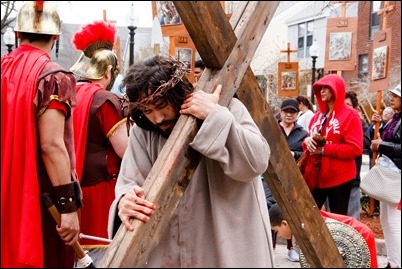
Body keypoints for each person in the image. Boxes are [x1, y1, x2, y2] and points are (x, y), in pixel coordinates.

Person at [107, 55, 274, 267]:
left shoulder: (229, 108)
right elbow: (129, 184)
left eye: (161, 104)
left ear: (176, 93)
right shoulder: (144, 133)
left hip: (225, 246)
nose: (157, 118)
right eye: (148, 110)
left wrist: (214, 116)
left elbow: (257, 162)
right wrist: (126, 201)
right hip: (170, 251)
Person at [1, 1, 81, 267]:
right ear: (56, 36)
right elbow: (51, 145)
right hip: (39, 200)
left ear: (17, 34)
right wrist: (68, 208)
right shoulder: (53, 77)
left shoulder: (2, 68)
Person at [70, 21, 130, 245]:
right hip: (101, 195)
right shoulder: (106, 101)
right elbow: (126, 151)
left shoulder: (70, 93)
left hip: (72, 190)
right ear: (108, 71)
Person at [301, 74, 363, 215]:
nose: (322, 91)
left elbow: (355, 148)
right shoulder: (317, 117)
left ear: (336, 90)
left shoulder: (350, 115)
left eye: (326, 88)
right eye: (320, 88)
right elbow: (308, 141)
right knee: (308, 217)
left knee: (338, 221)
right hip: (315, 178)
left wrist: (324, 150)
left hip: (339, 178)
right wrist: (306, 141)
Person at [264, 98, 308, 262]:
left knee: (290, 211)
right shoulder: (271, 129)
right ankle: (270, 246)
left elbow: (305, 153)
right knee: (269, 208)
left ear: (297, 114)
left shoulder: (303, 133)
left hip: (292, 178)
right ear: (280, 112)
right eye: (286, 111)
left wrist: (294, 155)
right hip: (271, 175)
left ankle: (292, 248)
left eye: (293, 112)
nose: (289, 115)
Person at [268, 203, 378, 268]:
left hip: (358, 236)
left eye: (276, 231)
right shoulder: (302, 222)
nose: (279, 236)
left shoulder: (308, 226)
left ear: (284, 224)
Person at [369, 83, 401, 268]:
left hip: (397, 175)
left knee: (394, 220)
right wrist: (379, 124)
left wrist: (380, 146)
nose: (391, 98)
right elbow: (385, 138)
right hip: (388, 173)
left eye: (396, 96)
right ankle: (392, 260)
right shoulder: (395, 118)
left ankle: (397, 263)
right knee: (385, 220)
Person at [343, 91, 370, 220]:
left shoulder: (360, 123)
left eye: (348, 104)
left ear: (354, 107)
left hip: (351, 179)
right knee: (335, 218)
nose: (345, 108)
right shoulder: (331, 122)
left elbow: (365, 142)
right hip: (332, 178)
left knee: (352, 218)